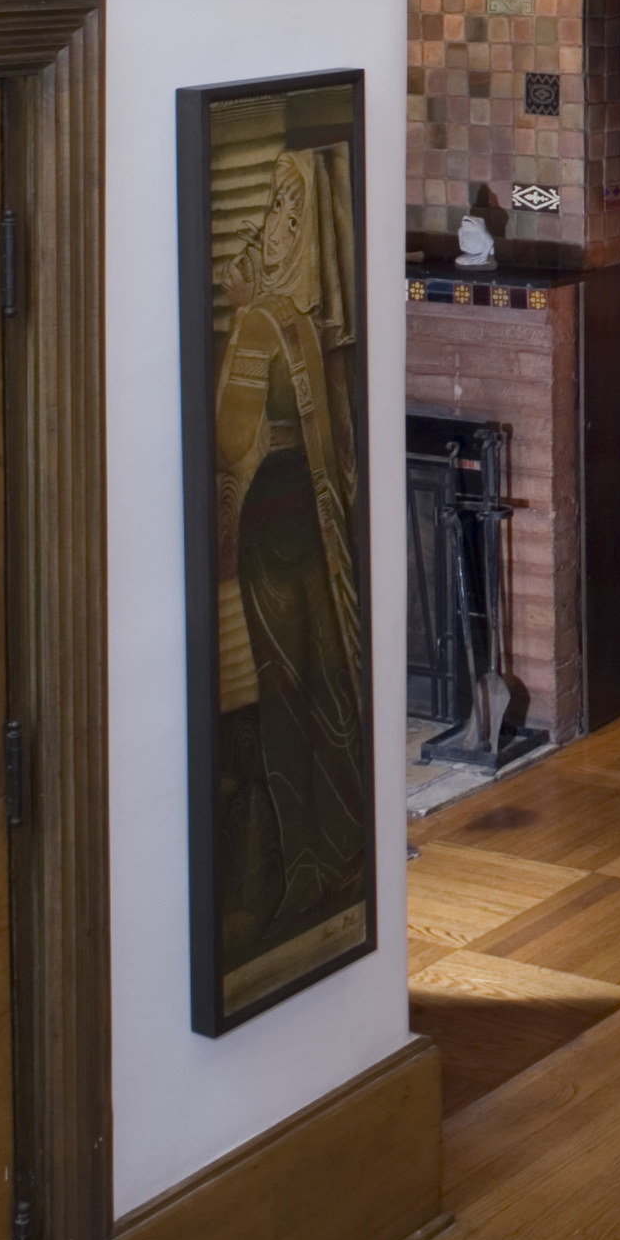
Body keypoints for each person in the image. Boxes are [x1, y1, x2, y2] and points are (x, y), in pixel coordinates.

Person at [208, 145, 368, 984]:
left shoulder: (260, 322)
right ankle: (337, 847)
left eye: (277, 210)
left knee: (283, 694)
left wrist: (237, 311)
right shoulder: (300, 323)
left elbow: (230, 441)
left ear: (296, 229)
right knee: (325, 680)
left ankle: (300, 865)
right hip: (310, 519)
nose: (265, 225)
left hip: (271, 531)